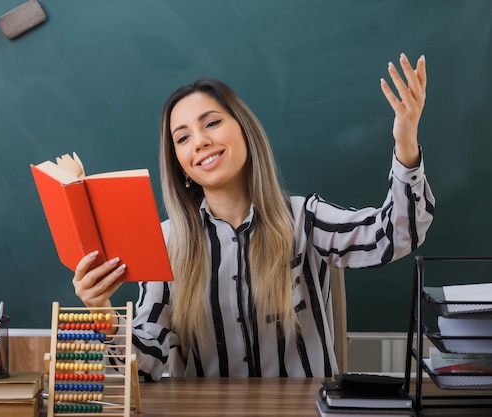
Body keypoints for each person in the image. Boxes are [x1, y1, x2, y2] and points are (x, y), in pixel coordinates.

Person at [73, 53, 434, 380]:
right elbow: (145, 365)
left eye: (211, 123)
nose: (199, 141)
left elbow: (394, 235)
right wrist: (102, 311)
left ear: (244, 129)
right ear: (180, 165)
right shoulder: (166, 243)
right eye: (182, 138)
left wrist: (405, 143)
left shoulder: (304, 218)